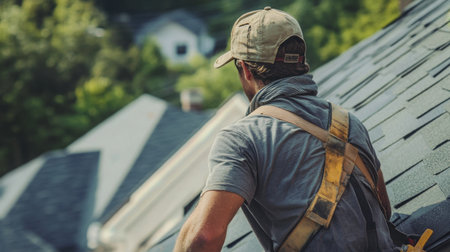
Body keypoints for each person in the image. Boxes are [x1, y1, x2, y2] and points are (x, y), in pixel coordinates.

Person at [173, 7, 394, 252]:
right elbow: (384, 208)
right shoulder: (350, 122)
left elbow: (203, 238)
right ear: (301, 62)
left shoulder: (242, 139)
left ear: (245, 70)